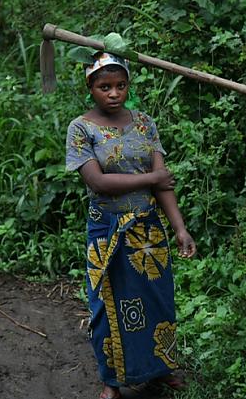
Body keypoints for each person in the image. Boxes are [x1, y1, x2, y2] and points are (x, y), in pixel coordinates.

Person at [65, 52, 197, 399]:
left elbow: (163, 186)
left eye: (120, 85)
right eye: (104, 86)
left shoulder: (144, 123)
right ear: (90, 88)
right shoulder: (81, 129)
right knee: (106, 306)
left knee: (157, 301)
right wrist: (152, 176)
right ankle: (112, 382)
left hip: (148, 229)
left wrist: (179, 228)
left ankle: (160, 369)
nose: (113, 93)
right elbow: (99, 182)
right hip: (107, 230)